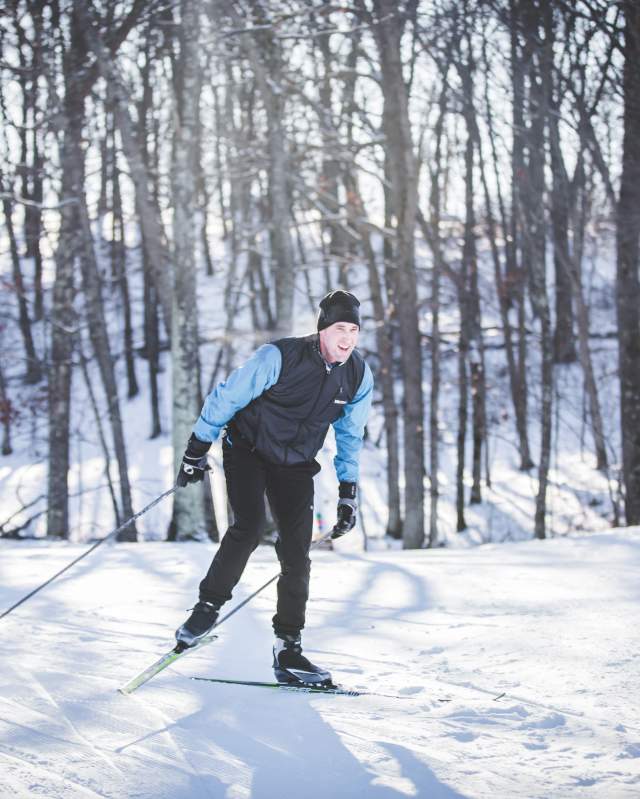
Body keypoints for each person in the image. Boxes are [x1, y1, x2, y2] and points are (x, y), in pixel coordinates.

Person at [174, 290, 374, 686]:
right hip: (248, 448)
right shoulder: (278, 357)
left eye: (353, 330)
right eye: (339, 328)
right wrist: (197, 448)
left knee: (297, 554)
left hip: (296, 463)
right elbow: (227, 396)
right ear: (322, 330)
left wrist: (349, 492)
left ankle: (288, 649)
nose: (347, 338)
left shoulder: (357, 376)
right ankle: (207, 606)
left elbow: (351, 435)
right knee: (249, 527)